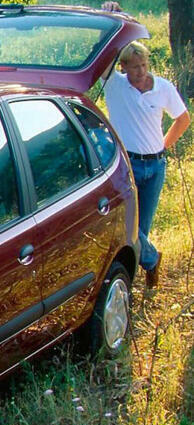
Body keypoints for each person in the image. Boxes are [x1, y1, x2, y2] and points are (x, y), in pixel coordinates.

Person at [101, 4, 191, 287]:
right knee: (128, 224)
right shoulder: (115, 84)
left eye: (143, 66)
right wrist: (111, 18)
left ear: (148, 64)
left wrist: (163, 146)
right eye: (133, 67)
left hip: (156, 165)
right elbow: (102, 58)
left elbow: (183, 119)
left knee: (142, 227)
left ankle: (144, 270)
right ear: (123, 66)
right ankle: (151, 260)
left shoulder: (163, 87)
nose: (139, 72)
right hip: (127, 163)